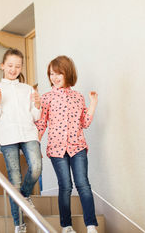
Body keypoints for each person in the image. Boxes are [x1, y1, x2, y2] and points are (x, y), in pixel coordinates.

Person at [36, 55, 99, 233]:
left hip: (77, 147)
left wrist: (93, 104)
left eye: (59, 74)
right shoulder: (46, 98)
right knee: (65, 186)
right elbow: (41, 123)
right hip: (56, 149)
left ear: (68, 73)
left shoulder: (78, 97)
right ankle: (66, 226)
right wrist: (35, 146)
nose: (54, 78)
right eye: (51, 74)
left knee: (83, 184)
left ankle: (91, 225)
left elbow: (85, 122)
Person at [0, 48, 42, 233]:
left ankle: (24, 196)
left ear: (21, 68)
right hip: (8, 136)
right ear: (2, 66)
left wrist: (37, 105)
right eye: (10, 65)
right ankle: (19, 225)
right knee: (15, 180)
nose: (13, 69)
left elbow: (35, 116)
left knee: (36, 167)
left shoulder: (27, 89)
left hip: (28, 133)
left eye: (17, 66)